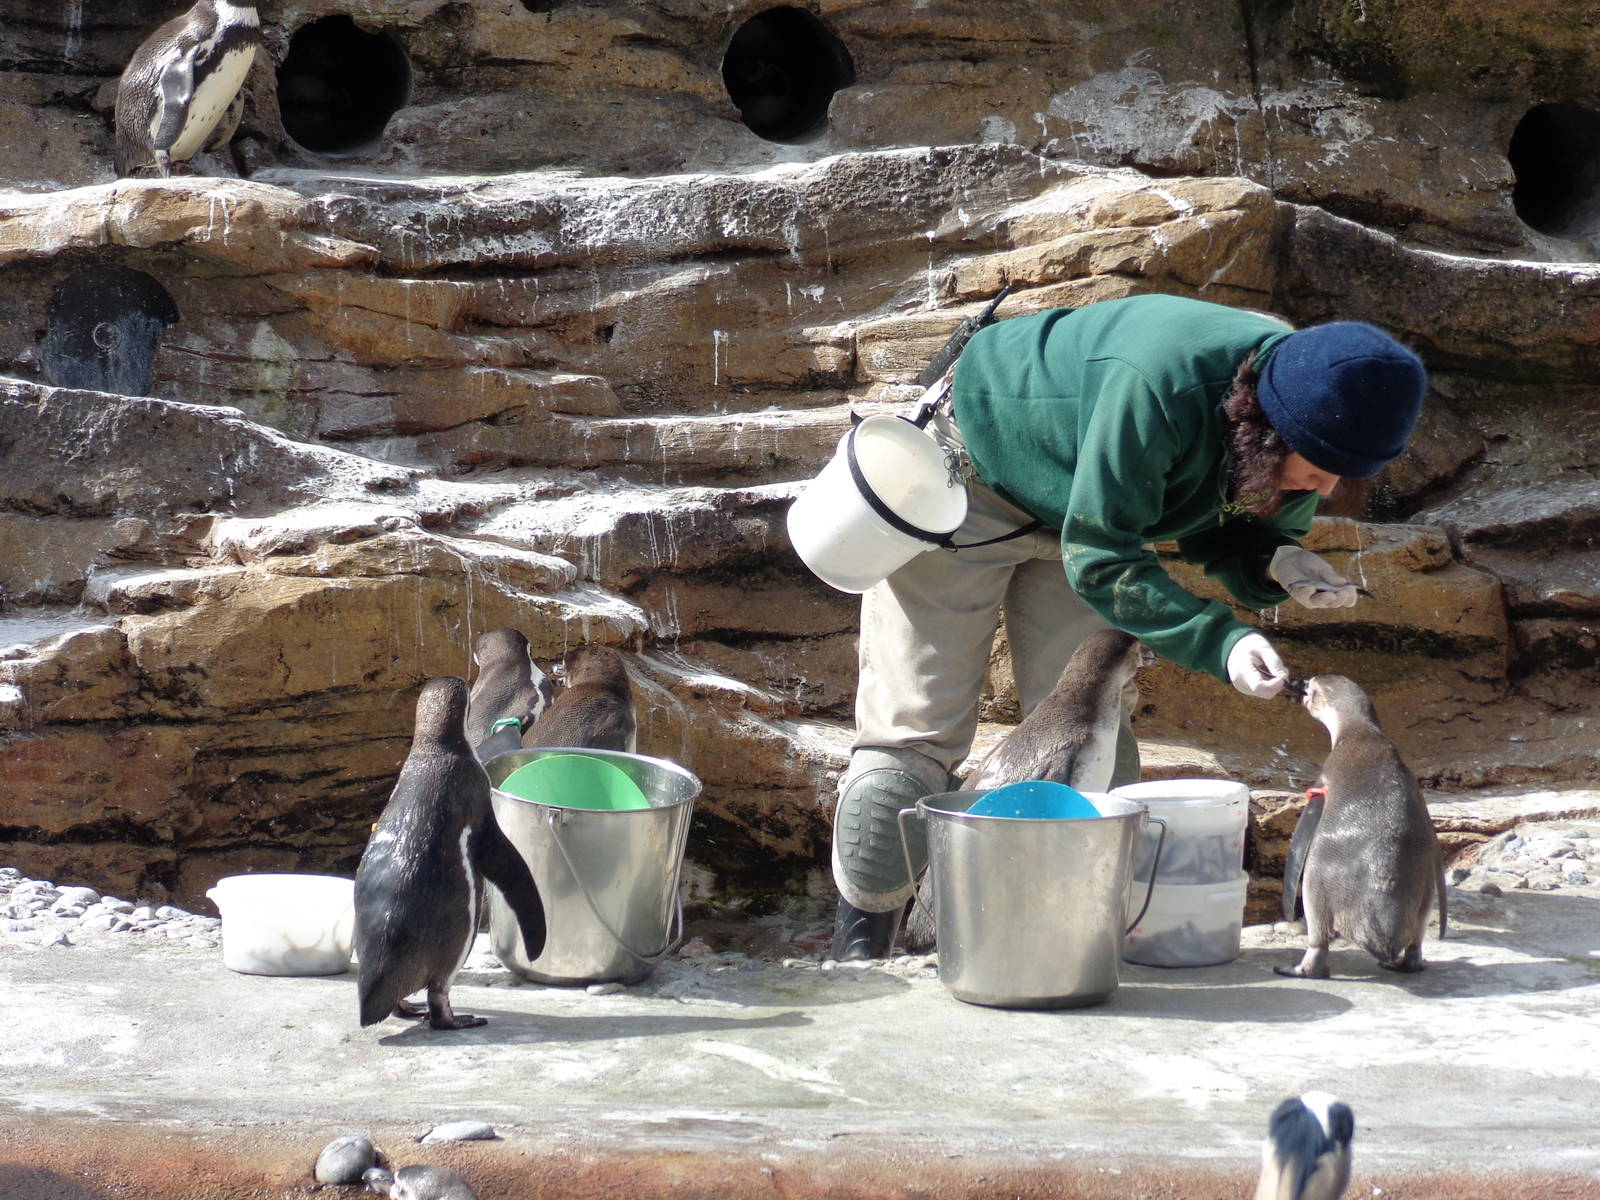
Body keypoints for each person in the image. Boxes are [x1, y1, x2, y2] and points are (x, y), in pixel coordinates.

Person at [830, 292, 1428, 960]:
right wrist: (1221, 642)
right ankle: (862, 959)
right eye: (1315, 470)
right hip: (969, 477)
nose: (1323, 490)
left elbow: (1227, 516)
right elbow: (1103, 558)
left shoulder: (1305, 391)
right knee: (911, 740)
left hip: (1088, 513)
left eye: (1339, 477)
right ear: (1268, 427)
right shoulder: (1160, 382)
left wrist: (1279, 560)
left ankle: (1051, 947)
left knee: (1094, 739)